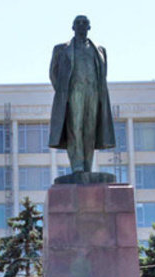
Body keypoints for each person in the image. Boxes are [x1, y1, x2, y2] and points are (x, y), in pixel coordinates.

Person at [48, 15, 115, 173]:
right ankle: (77, 165)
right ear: (73, 27)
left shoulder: (99, 50)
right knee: (75, 128)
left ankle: (87, 166)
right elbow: (53, 73)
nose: (81, 25)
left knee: (90, 129)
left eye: (84, 23)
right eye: (77, 23)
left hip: (92, 92)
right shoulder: (61, 49)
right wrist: (64, 92)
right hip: (73, 92)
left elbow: (103, 74)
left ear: (89, 27)